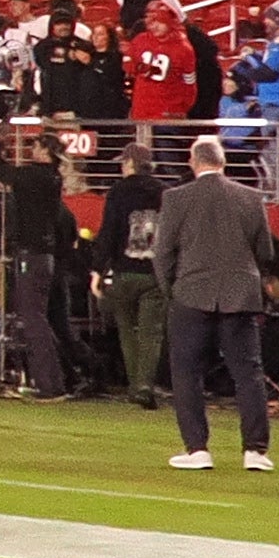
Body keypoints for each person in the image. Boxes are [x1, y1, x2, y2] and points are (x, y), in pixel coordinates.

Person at [153, 132, 279, 472]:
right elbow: (266, 252)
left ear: (193, 162)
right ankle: (255, 451)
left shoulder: (176, 198)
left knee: (186, 373)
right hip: (240, 295)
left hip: (191, 294)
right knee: (249, 373)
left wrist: (173, 290)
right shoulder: (251, 197)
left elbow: (163, 252)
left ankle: (197, 449)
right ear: (222, 162)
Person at [0, 127, 78, 400]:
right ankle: (58, 379)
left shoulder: (36, 176)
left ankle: (49, 384)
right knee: (39, 319)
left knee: (33, 320)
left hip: (31, 255)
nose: (31, 152)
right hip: (44, 257)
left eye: (35, 147)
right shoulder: (52, 178)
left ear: (45, 151)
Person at [95, 140, 168, 405]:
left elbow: (108, 231)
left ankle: (135, 384)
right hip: (154, 271)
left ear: (129, 164)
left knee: (126, 329)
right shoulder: (165, 192)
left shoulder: (118, 192)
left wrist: (97, 269)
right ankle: (145, 385)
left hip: (124, 270)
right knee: (152, 332)